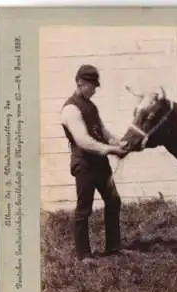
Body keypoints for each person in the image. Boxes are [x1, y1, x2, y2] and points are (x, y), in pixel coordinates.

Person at [60, 64, 129, 264]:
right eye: (93, 85)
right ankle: (84, 255)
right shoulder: (70, 109)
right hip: (84, 165)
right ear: (81, 83)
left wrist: (117, 141)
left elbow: (101, 129)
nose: (95, 89)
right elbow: (83, 140)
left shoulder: (91, 105)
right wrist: (111, 150)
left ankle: (113, 248)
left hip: (100, 164)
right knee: (84, 209)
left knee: (114, 202)